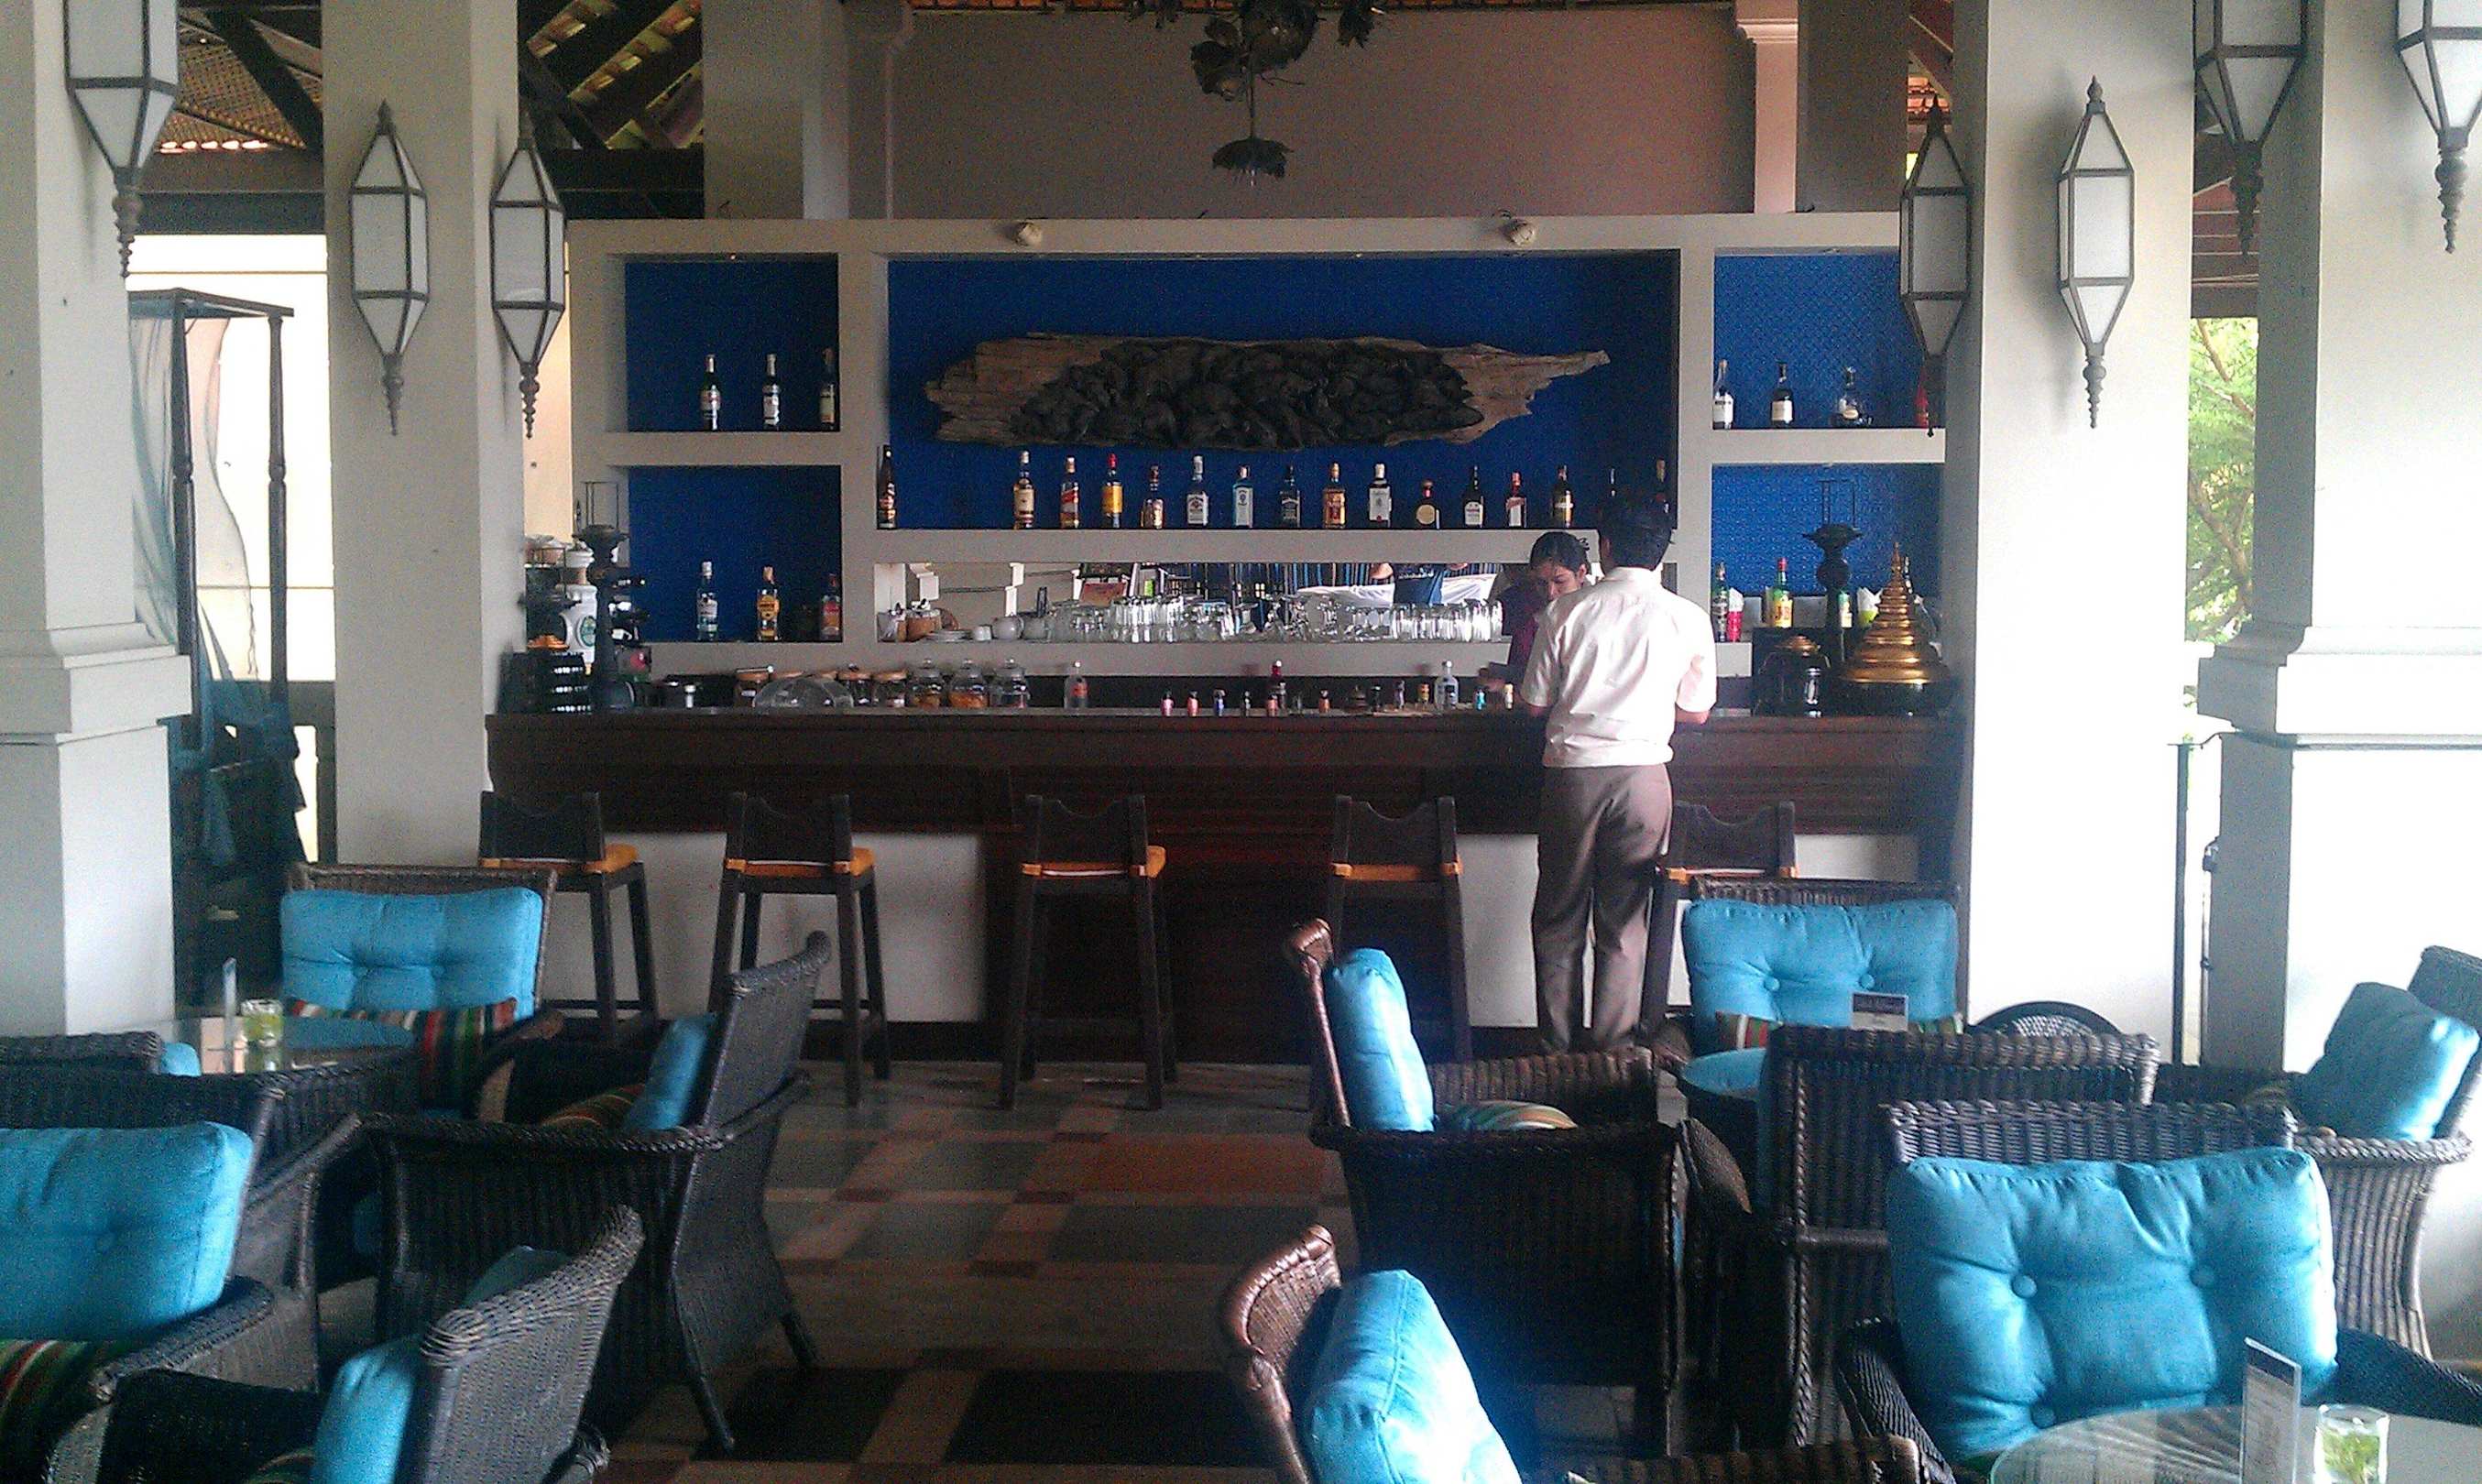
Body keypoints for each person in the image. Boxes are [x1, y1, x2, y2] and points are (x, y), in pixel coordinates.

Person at [1518, 498, 1715, 1052]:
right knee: (1626, 922)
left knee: (1559, 918)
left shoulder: (1565, 612)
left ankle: (1557, 1057)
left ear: (1604, 547)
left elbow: (1534, 703)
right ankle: (1614, 1061)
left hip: (1573, 775)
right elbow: (1697, 711)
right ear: (1661, 552)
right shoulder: (1687, 617)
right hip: (1645, 777)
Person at [1482, 532, 1589, 689]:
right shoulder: (1517, 602)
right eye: (1541, 583)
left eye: (1560, 581)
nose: (1551, 592)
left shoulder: (1597, 612)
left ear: (1581, 574)